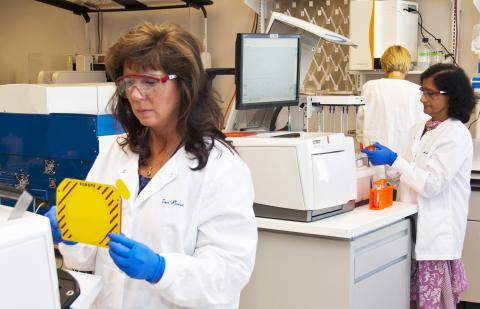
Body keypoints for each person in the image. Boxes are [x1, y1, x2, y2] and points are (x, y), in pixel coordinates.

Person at [45, 22, 257, 309]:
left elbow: (228, 274)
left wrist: (160, 270)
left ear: (185, 85)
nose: (135, 94)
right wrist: (69, 235)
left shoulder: (222, 168)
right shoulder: (115, 153)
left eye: (149, 82)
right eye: (128, 83)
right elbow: (85, 258)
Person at [362, 63, 475, 309]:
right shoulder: (419, 128)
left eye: (430, 94)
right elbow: (401, 172)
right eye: (422, 91)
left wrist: (395, 160)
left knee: (434, 303)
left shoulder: (455, 134)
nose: (423, 99)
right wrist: (384, 159)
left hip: (436, 237)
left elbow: (431, 184)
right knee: (411, 300)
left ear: (451, 96)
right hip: (411, 226)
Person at [356, 45, 429, 181]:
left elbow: (361, 121)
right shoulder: (417, 91)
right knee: (402, 198)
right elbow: (425, 127)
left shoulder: (370, 87)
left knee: (378, 196)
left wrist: (361, 141)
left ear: (384, 64)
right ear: (408, 65)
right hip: (406, 159)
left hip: (375, 154)